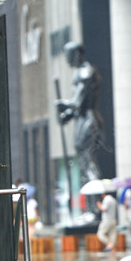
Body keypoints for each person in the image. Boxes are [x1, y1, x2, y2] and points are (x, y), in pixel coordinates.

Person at [55, 42, 105, 185]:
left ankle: (95, 200)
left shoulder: (85, 72)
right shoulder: (79, 72)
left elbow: (77, 101)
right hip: (83, 119)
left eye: (68, 55)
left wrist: (62, 104)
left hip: (88, 120)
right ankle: (91, 201)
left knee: (87, 160)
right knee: (83, 161)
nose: (67, 59)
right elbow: (77, 107)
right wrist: (66, 116)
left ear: (77, 54)